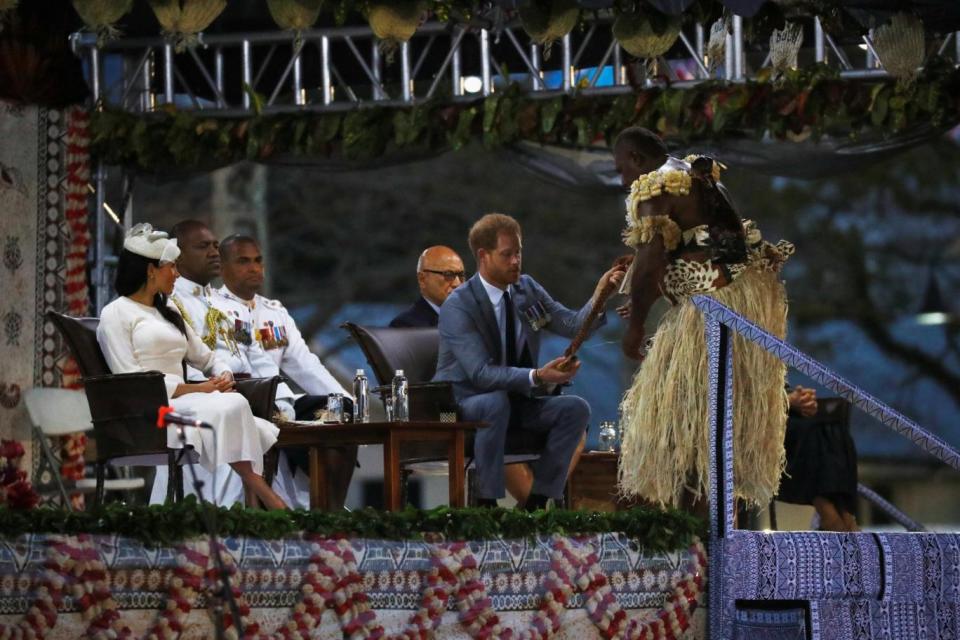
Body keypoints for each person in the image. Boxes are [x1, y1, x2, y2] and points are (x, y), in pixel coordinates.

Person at [613, 126, 794, 512]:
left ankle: (698, 544)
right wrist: (645, 293)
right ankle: (709, 536)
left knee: (686, 429)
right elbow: (705, 246)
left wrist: (636, 327)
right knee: (708, 428)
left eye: (620, 169)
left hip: (713, 309)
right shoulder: (697, 175)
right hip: (741, 302)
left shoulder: (657, 187)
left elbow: (650, 261)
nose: (622, 179)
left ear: (637, 160)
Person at [433, 213, 624, 510]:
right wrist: (538, 376)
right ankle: (487, 502)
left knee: (575, 409)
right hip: (464, 403)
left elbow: (571, 325)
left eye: (518, 252)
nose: (515, 261)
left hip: (517, 400)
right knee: (494, 401)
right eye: (507, 255)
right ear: (483, 256)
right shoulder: (459, 305)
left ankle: (538, 501)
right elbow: (480, 374)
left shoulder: (527, 290)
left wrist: (601, 295)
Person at [96, 224, 287, 510]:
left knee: (234, 404)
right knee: (233, 409)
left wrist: (222, 374)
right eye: (171, 267)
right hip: (149, 410)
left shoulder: (169, 313)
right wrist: (198, 388)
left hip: (187, 403)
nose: (176, 273)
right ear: (151, 270)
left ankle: (255, 499)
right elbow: (130, 381)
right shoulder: (115, 313)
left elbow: (207, 357)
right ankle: (262, 495)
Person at [150, 219, 296, 507]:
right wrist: (215, 388)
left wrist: (282, 400)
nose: (214, 252)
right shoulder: (169, 303)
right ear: (177, 255)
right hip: (199, 398)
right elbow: (178, 362)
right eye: (203, 246)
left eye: (216, 245)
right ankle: (227, 516)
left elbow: (257, 355)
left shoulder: (225, 303)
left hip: (243, 393)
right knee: (235, 421)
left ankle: (266, 516)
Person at [218, 234, 358, 510]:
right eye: (243, 261)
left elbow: (305, 363)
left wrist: (344, 399)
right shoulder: (214, 310)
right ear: (222, 267)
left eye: (258, 261)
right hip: (244, 402)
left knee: (340, 410)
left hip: (282, 401)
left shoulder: (274, 313)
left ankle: (331, 507)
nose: (254, 268)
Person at [778, 385, 860, 531]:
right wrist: (788, 400)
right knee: (815, 432)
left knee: (831, 427)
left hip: (786, 410)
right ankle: (829, 512)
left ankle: (840, 513)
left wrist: (801, 398)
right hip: (766, 422)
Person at [389, 246, 466, 327]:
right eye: (448, 274)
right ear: (422, 279)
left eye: (461, 275)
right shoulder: (405, 325)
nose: (457, 284)